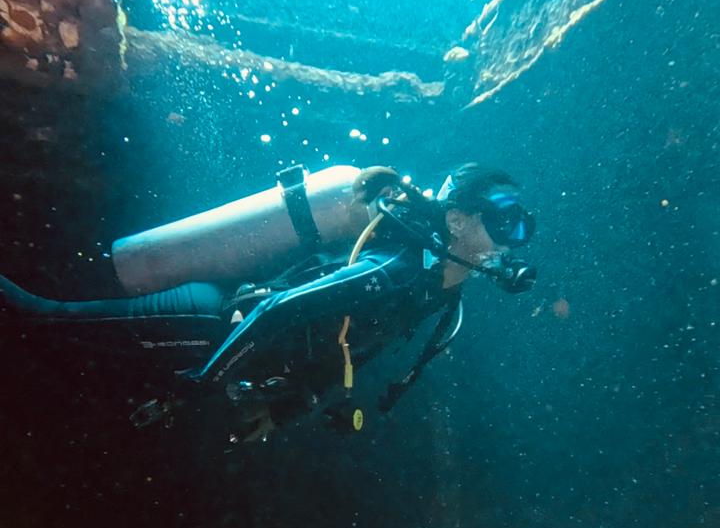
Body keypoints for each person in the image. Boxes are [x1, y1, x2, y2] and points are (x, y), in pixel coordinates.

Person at [0, 163, 535, 434]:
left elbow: (350, 354)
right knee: (42, 319)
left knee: (56, 346)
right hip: (211, 322)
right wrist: (200, 385)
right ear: (459, 220)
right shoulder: (395, 271)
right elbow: (277, 309)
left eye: (520, 228)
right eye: (502, 225)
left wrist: (283, 410)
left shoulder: (438, 296)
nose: (510, 243)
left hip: (223, 345)